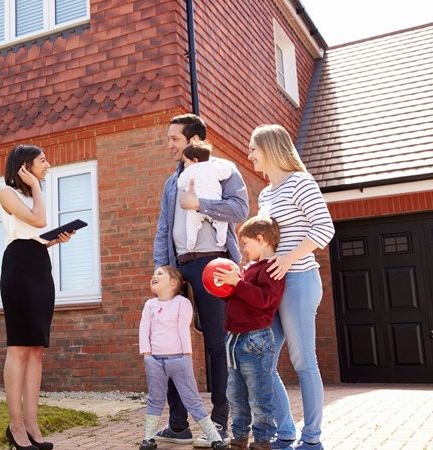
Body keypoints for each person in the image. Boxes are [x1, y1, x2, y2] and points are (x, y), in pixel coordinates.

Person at [153, 114, 249, 447]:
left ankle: (221, 420)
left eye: (174, 139)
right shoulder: (170, 182)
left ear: (193, 141)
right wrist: (161, 270)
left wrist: (201, 204)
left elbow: (240, 209)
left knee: (217, 345)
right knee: (172, 345)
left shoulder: (224, 170)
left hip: (214, 264)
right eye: (168, 139)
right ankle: (178, 424)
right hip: (179, 269)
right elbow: (164, 228)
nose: (169, 145)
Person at [247, 125, 335, 450]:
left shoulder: (301, 182)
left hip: (298, 280)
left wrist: (287, 259)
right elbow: (266, 243)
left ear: (269, 148)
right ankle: (284, 433)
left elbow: (324, 229)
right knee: (261, 363)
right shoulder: (266, 194)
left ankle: (311, 440)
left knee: (303, 361)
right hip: (272, 287)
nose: (250, 155)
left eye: (254, 148)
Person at [0, 144, 74, 450]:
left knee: (37, 349)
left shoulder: (32, 195)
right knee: (18, 347)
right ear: (25, 166)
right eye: (42, 161)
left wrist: (56, 240)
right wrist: (36, 186)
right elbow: (39, 222)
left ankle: (32, 424)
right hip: (17, 269)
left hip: (40, 267)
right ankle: (15, 425)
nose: (47, 165)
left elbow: (37, 236)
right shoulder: (6, 192)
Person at [213, 215, 285, 450]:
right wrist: (227, 285)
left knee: (259, 394)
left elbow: (265, 300)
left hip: (256, 339)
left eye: (245, 243)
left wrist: (239, 283)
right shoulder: (248, 269)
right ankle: (239, 436)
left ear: (261, 239)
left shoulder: (272, 268)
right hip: (233, 339)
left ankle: (263, 439)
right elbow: (239, 299)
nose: (243, 249)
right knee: (235, 393)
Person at [138, 265, 229, 450]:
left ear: (174, 282)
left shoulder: (182, 303)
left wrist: (187, 355)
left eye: (160, 273)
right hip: (155, 361)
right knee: (155, 399)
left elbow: (183, 329)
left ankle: (214, 437)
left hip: (179, 360)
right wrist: (146, 354)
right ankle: (149, 438)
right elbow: (143, 330)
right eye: (154, 273)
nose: (154, 276)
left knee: (192, 400)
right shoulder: (150, 305)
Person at [177, 142, 233, 251]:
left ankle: (191, 243)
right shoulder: (213, 166)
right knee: (222, 223)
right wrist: (224, 164)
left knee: (191, 224)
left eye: (186, 161)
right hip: (214, 204)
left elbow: (180, 184)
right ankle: (221, 239)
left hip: (195, 206)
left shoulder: (189, 170)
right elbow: (227, 172)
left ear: (195, 160)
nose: (184, 165)